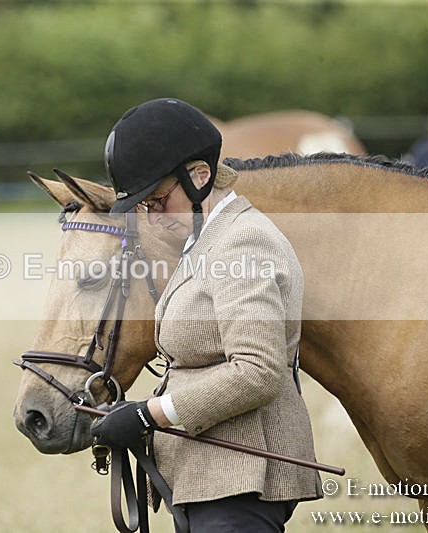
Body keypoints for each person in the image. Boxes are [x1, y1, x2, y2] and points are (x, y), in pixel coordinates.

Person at [91, 98, 322, 532]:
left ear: (199, 177)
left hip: (241, 478)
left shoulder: (242, 243)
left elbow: (257, 370)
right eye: (145, 208)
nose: (154, 218)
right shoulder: (205, 242)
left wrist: (149, 415)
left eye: (158, 201)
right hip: (213, 478)